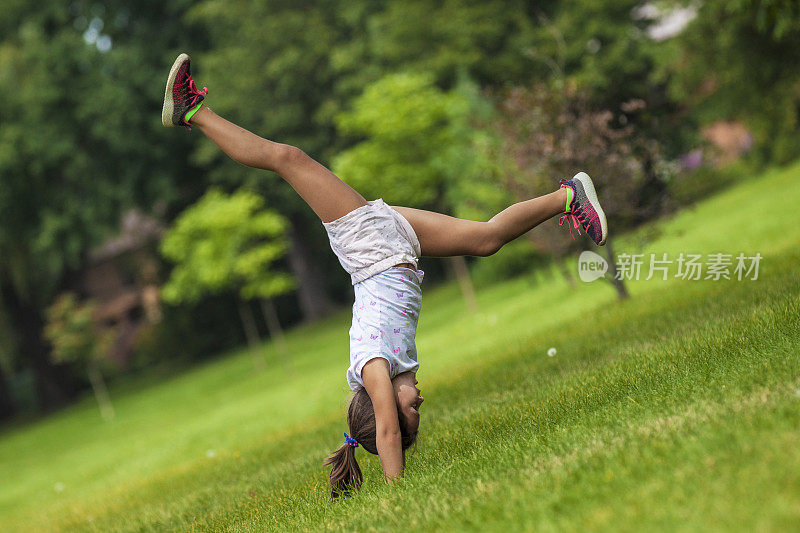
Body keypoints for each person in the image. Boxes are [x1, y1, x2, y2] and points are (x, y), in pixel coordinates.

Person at [161, 53, 608, 499]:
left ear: (385, 410)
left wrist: (399, 494)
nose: (420, 406)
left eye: (410, 415)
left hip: (370, 247)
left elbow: (389, 435)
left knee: (287, 158)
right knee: (485, 239)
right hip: (395, 247)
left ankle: (193, 111)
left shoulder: (373, 367)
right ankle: (567, 196)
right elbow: (390, 426)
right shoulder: (398, 365)